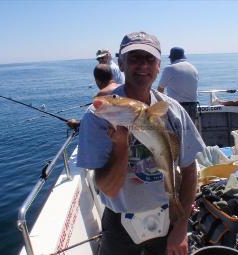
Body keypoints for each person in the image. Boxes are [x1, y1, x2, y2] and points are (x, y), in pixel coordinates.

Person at [77, 31, 206, 255]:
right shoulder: (98, 117)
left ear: (158, 67)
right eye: (134, 58)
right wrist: (121, 145)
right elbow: (107, 188)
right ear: (121, 64)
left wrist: (181, 227)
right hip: (120, 225)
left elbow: (189, 170)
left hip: (168, 219)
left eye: (149, 59)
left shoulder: (174, 111)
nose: (142, 66)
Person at [67, 64, 120, 129]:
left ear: (96, 80)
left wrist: (76, 123)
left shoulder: (101, 97)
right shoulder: (123, 90)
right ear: (112, 76)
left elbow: (92, 122)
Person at [157, 47, 199, 121]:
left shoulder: (169, 68)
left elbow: (160, 89)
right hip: (193, 106)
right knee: (190, 130)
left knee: (176, 131)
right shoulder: (193, 68)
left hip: (177, 106)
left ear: (172, 58)